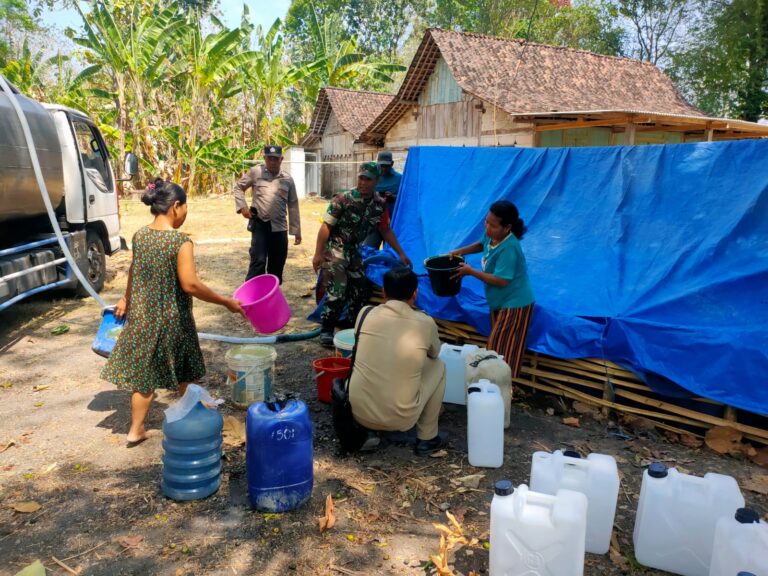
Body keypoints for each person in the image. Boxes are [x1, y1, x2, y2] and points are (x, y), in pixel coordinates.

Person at [102, 179, 244, 446]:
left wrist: (126, 298)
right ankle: (191, 422)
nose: (186, 211)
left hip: (143, 318)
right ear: (176, 206)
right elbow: (189, 284)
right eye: (185, 206)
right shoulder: (180, 242)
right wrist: (226, 301)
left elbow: (135, 270)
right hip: (172, 320)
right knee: (186, 372)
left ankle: (135, 429)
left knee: (144, 377)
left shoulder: (140, 235)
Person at [349, 267, 447, 456]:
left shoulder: (365, 313)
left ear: (384, 292)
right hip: (401, 418)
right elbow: (435, 354)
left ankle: (369, 428)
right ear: (415, 293)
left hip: (357, 412)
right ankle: (427, 438)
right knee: (439, 366)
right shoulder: (425, 322)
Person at [312, 161, 411, 347]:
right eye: (361, 178)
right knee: (338, 289)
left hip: (356, 250)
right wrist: (318, 254)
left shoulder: (379, 204)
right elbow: (326, 226)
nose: (363, 182)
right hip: (336, 249)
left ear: (377, 181)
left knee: (359, 288)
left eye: (368, 179)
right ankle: (326, 328)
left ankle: (351, 325)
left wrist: (401, 254)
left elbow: (385, 230)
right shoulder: (342, 199)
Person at [451, 200, 535, 378]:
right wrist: (458, 252)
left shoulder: (509, 248)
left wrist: (471, 271)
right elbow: (481, 244)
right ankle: (496, 385)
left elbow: (501, 280)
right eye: (486, 222)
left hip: (515, 302)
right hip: (499, 301)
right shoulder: (493, 234)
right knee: (499, 346)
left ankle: (504, 388)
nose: (487, 227)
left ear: (507, 228)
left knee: (503, 347)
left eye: (493, 225)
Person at [234, 145, 301, 283]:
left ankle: (271, 297)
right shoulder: (255, 172)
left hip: (280, 228)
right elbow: (238, 187)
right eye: (269, 158)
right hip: (260, 225)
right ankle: (252, 298)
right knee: (258, 262)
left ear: (281, 159)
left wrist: (296, 231)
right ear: (265, 158)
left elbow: (293, 204)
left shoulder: (287, 179)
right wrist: (243, 207)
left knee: (276, 266)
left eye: (275, 159)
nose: (272, 162)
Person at [364, 150, 403, 248]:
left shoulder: (400, 179)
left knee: (389, 253)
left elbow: (405, 198)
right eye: (381, 166)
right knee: (369, 250)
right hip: (374, 222)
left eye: (386, 166)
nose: (384, 169)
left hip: (392, 223)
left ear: (392, 164)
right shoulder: (372, 177)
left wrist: (393, 197)